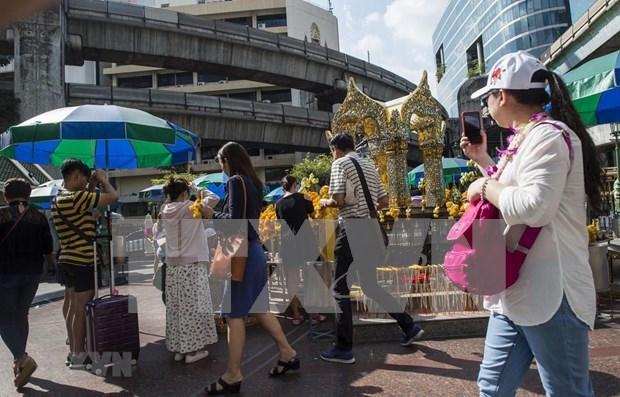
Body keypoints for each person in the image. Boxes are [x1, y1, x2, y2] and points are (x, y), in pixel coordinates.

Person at [462, 51, 603, 396]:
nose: (487, 107)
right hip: (515, 290)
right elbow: (512, 191)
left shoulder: (549, 135)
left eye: (488, 98)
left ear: (503, 96)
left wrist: (482, 185)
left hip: (552, 294)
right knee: (491, 389)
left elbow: (534, 208)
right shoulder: (527, 137)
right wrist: (483, 162)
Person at [201, 142, 299, 395]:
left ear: (228, 160)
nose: (221, 167)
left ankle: (233, 374)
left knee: (233, 315)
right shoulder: (253, 183)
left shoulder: (235, 182)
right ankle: (287, 352)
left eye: (221, 161)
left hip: (241, 254)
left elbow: (235, 223)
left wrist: (210, 214)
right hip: (253, 251)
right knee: (258, 308)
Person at [318, 133, 424, 364]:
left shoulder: (339, 163)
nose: (332, 154)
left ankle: (343, 348)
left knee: (339, 287)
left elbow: (338, 199)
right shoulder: (368, 165)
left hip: (351, 230)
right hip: (371, 229)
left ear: (335, 148)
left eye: (331, 150)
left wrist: (324, 202)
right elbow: (384, 202)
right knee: (369, 285)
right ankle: (409, 326)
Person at [51, 159, 119, 369]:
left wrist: (91, 184)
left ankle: (74, 350)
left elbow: (86, 200)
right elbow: (113, 197)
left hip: (68, 258)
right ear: (76, 176)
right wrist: (103, 180)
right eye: (85, 178)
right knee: (81, 308)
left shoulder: (59, 198)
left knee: (73, 307)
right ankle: (79, 354)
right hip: (82, 259)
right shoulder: (77, 197)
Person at [0, 178, 54, 389]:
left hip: (5, 274)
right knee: (21, 314)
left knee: (3, 319)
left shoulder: (1, 215)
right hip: (33, 274)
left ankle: (22, 358)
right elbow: (47, 247)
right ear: (29, 195)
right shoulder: (39, 218)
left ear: (6, 196)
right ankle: (19, 363)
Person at [160, 176, 219, 364]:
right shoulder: (190, 207)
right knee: (193, 309)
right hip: (192, 266)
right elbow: (214, 198)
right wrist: (197, 188)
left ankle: (180, 349)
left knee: (177, 308)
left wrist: (189, 191)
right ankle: (192, 351)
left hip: (172, 268)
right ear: (185, 193)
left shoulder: (164, 209)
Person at [275, 175, 325, 326]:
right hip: (306, 241)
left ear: (283, 187)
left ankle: (296, 315)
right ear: (295, 184)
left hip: (288, 243)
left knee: (292, 280)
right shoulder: (305, 197)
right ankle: (314, 313)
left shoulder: (278, 204)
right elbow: (314, 217)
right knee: (311, 277)